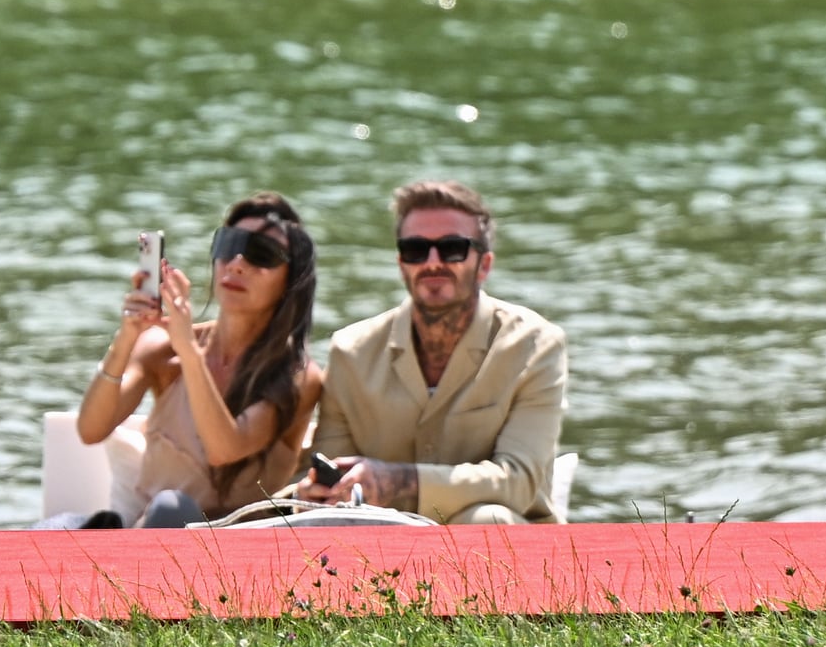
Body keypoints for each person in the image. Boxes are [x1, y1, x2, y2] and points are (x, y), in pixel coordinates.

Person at [297, 180, 566, 524]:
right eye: (416, 249)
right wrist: (317, 494)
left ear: (484, 265)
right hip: (380, 547)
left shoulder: (536, 345)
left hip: (507, 547)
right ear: (401, 264)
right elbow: (333, 479)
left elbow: (520, 482)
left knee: (488, 519)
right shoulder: (350, 352)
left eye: (452, 248)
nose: (433, 262)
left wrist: (402, 482)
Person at [69, 192, 325, 527]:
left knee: (172, 509)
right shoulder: (162, 350)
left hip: (233, 555)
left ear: (291, 279)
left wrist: (190, 352)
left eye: (260, 254)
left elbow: (224, 448)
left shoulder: (297, 375)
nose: (236, 263)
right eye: (228, 244)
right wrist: (127, 337)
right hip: (145, 536)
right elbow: (90, 430)